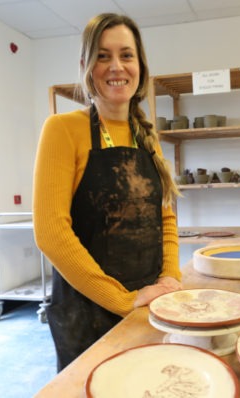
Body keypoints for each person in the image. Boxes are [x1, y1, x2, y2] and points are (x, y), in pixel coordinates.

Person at [33, 13, 182, 371]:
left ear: (140, 66)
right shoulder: (62, 129)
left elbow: (166, 217)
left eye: (126, 55)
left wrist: (170, 279)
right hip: (88, 314)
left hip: (147, 307)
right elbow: (51, 233)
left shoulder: (147, 138)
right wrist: (122, 300)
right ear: (86, 65)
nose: (116, 66)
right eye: (103, 56)